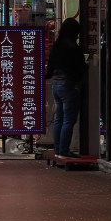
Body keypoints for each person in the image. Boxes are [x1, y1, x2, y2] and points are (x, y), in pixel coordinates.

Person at [45, 18, 86, 158]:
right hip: (69, 85)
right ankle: (64, 150)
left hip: (56, 85)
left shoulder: (56, 46)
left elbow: (49, 69)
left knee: (59, 118)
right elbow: (80, 69)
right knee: (69, 119)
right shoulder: (74, 48)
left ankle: (58, 149)